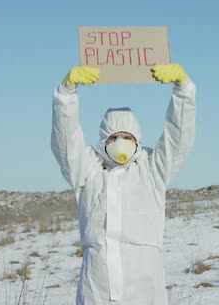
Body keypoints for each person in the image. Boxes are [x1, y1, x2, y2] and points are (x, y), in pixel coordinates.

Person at [51, 64, 196, 305]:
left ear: (137, 139)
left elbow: (177, 138)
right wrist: (65, 95)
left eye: (127, 137)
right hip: (97, 291)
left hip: (144, 291)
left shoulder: (152, 169)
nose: (120, 142)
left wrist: (183, 90)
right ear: (102, 141)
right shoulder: (87, 171)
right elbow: (65, 141)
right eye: (113, 136)